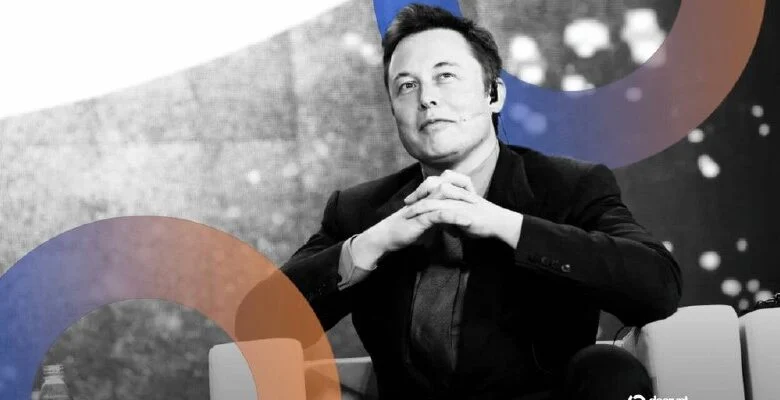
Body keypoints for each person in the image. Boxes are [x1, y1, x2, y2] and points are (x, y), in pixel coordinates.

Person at [280, 4, 682, 399]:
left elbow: (657, 286)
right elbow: (264, 320)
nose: (426, 99)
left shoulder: (567, 186)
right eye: (406, 86)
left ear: (494, 94)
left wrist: (504, 224)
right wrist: (375, 242)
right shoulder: (361, 211)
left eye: (445, 76)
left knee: (609, 369)